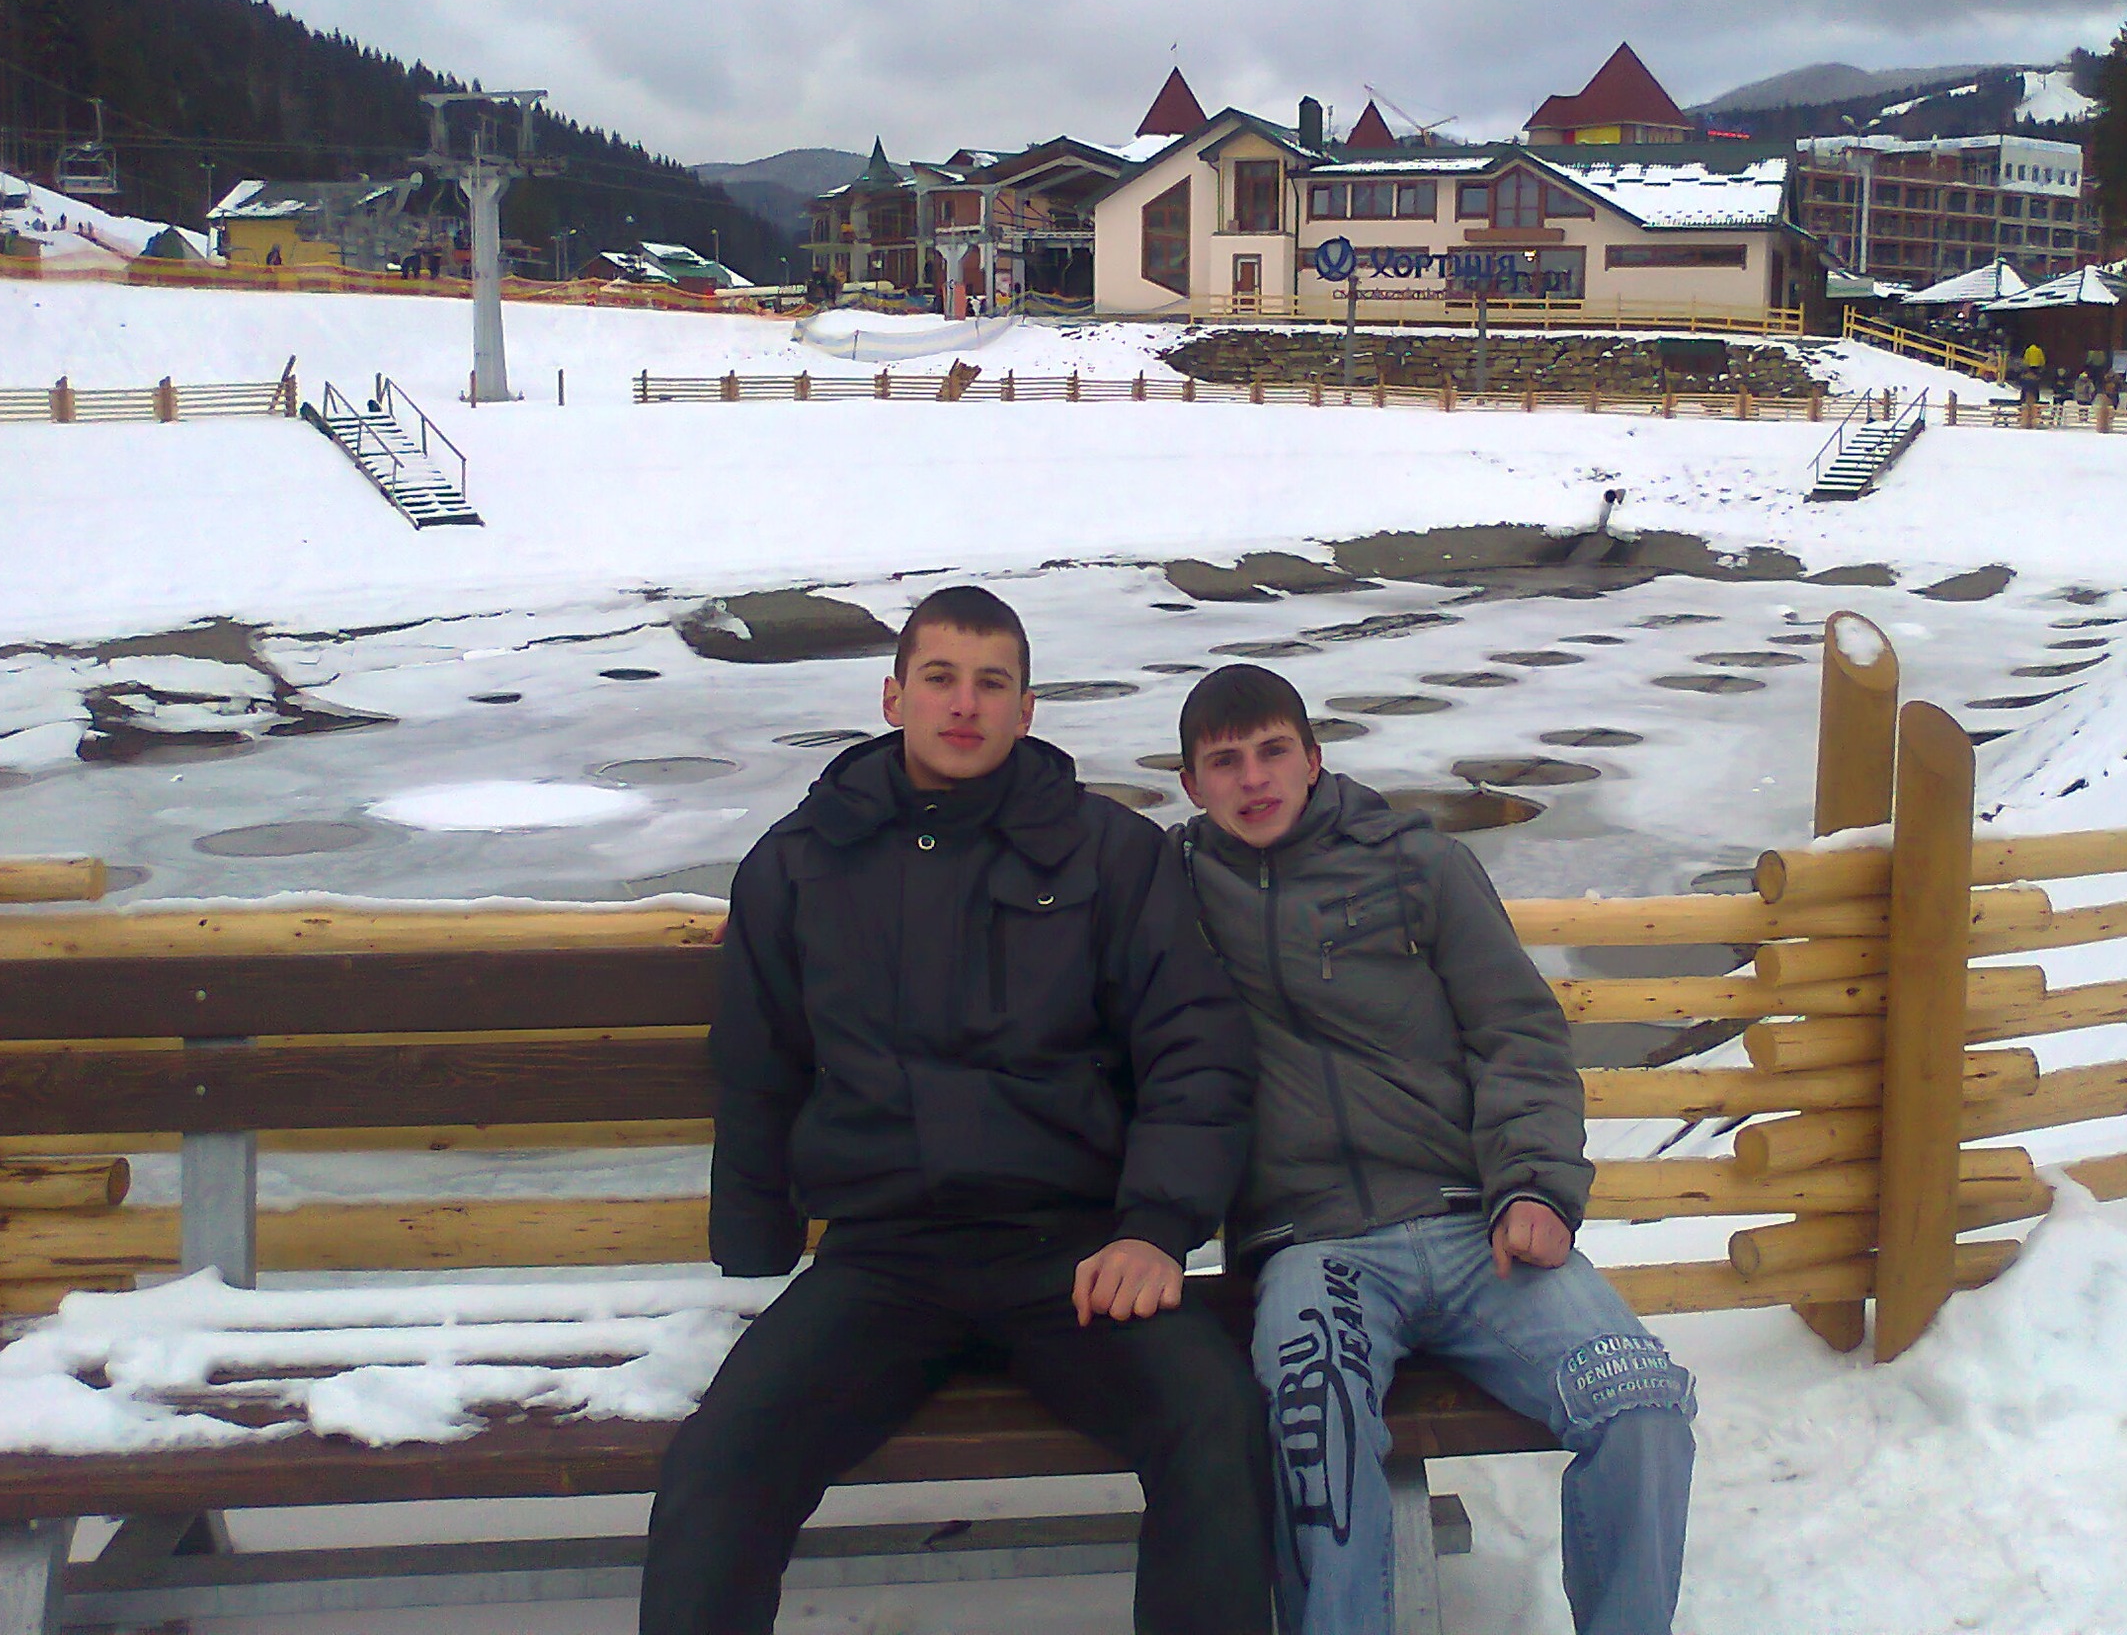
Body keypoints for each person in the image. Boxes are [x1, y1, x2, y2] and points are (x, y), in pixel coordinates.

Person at [642, 588, 1270, 1635]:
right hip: (884, 1260)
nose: (965, 705)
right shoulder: (801, 862)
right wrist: (755, 1243)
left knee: (1216, 1423)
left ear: (1027, 709)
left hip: (1074, 1258)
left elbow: (1193, 1047)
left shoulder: (1111, 853)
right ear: (894, 698)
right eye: (940, 679)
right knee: (721, 1462)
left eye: (991, 684)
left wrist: (1156, 1228)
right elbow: (759, 1064)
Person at [1174, 664, 1694, 1635]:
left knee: (1641, 1401)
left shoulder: (1417, 866)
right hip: (1312, 1248)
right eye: (1225, 762)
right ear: (1191, 785)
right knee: (1317, 1431)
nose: (1253, 779)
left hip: (1474, 1228)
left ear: (1314, 758)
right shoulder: (1168, 890)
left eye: (1273, 752)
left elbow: (1517, 1031)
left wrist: (1534, 1186)